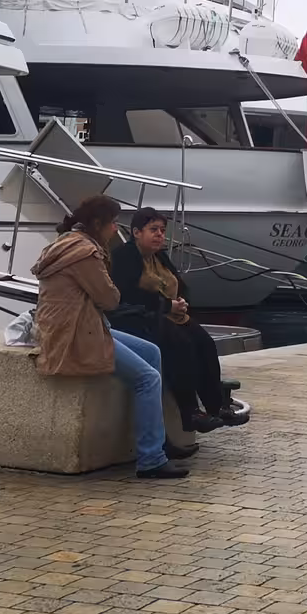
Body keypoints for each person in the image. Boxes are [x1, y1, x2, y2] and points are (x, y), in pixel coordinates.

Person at [33, 195, 188, 480]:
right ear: (98, 224)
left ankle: (157, 439)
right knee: (148, 378)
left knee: (152, 351)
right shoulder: (84, 253)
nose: (116, 229)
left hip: (75, 324)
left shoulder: (66, 242)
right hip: (77, 332)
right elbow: (110, 298)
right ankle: (151, 460)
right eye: (113, 223)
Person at [109, 208, 247, 434]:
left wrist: (181, 301)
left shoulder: (159, 256)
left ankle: (216, 406)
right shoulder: (125, 256)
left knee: (205, 343)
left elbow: (178, 284)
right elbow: (127, 295)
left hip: (172, 313)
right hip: (142, 317)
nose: (159, 235)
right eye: (153, 230)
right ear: (136, 232)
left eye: (162, 231)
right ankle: (190, 412)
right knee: (183, 346)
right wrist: (165, 304)